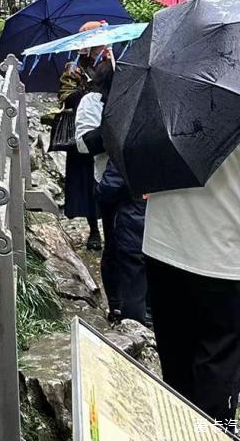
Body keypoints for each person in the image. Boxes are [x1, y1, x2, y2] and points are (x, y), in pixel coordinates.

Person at [141, 127, 240, 429]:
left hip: (163, 248)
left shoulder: (158, 93)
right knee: (216, 382)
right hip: (222, 259)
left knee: (177, 372)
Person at [73, 51, 149, 326]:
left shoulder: (139, 94)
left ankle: (142, 305)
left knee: (139, 246)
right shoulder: (91, 103)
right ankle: (118, 304)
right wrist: (116, 127)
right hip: (109, 179)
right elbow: (83, 144)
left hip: (142, 182)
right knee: (117, 245)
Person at [56, 51, 101, 251]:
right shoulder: (73, 68)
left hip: (109, 125)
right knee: (87, 181)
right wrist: (86, 90)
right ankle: (94, 229)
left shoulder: (115, 62)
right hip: (83, 130)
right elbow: (65, 97)